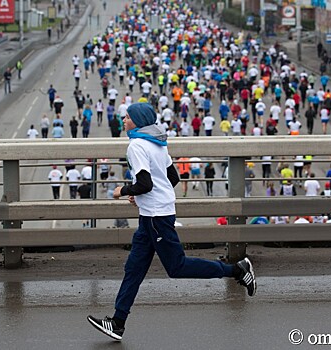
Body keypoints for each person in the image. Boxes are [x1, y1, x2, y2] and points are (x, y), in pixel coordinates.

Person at [87, 103, 256, 341]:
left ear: (138, 120)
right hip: (151, 216)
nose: (123, 119)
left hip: (157, 217)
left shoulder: (136, 145)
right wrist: (140, 195)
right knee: (133, 269)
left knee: (177, 267)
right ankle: (117, 322)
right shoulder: (157, 142)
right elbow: (173, 178)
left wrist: (123, 190)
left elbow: (145, 183)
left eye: (127, 116)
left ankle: (237, 270)